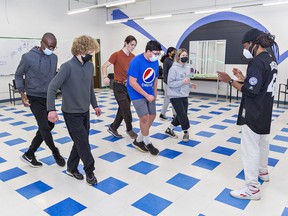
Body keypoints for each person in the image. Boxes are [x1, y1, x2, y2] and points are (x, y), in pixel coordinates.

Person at [217, 28, 279, 200]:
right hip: (265, 109)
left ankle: (252, 188)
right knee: (263, 142)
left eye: (245, 45)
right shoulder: (271, 60)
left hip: (254, 110)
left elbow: (250, 91)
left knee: (250, 147)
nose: (245, 50)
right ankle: (263, 171)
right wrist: (244, 76)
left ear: (254, 43)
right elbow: (260, 83)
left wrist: (229, 80)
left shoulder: (257, 62)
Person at [47, 35, 101, 186]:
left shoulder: (89, 67)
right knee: (83, 143)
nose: (92, 55)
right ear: (80, 50)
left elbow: (89, 88)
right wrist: (51, 109)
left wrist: (95, 105)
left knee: (80, 141)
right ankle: (89, 171)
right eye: (90, 51)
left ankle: (71, 167)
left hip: (85, 111)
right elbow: (52, 88)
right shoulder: (67, 67)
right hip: (71, 113)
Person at [15, 32, 65, 168]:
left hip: (48, 97)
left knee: (49, 125)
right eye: (50, 46)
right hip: (34, 96)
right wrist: (22, 93)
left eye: (54, 47)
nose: (52, 49)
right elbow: (19, 74)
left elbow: (53, 76)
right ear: (42, 43)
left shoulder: (54, 58)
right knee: (44, 126)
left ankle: (29, 153)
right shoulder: (28, 57)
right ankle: (55, 152)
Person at [127, 40, 162, 155]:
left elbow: (155, 78)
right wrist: (146, 95)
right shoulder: (136, 61)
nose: (156, 56)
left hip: (149, 91)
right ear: (148, 51)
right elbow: (132, 82)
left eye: (158, 54)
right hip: (136, 93)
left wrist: (155, 92)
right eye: (155, 53)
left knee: (152, 115)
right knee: (145, 118)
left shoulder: (155, 62)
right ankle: (147, 143)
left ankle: (138, 140)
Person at [102, 35, 137, 139]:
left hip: (128, 86)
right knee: (125, 108)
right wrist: (105, 77)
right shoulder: (116, 55)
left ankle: (113, 128)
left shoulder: (133, 57)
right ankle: (129, 129)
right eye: (131, 44)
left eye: (135, 45)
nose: (133, 47)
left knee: (122, 109)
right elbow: (104, 66)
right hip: (118, 86)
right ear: (126, 43)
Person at [165, 48, 197, 142]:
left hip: (184, 94)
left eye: (186, 55)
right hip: (175, 95)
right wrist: (183, 82)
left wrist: (191, 84)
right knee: (182, 115)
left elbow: (186, 80)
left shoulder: (187, 68)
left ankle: (169, 129)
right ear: (178, 57)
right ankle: (186, 132)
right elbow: (170, 83)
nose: (185, 57)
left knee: (181, 115)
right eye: (183, 55)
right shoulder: (173, 68)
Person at [159, 47, 177, 121]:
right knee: (169, 99)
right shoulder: (166, 61)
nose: (174, 53)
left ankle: (170, 114)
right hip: (167, 83)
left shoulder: (172, 60)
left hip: (172, 83)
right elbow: (165, 73)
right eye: (173, 52)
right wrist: (168, 83)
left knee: (171, 98)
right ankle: (169, 114)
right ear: (169, 53)